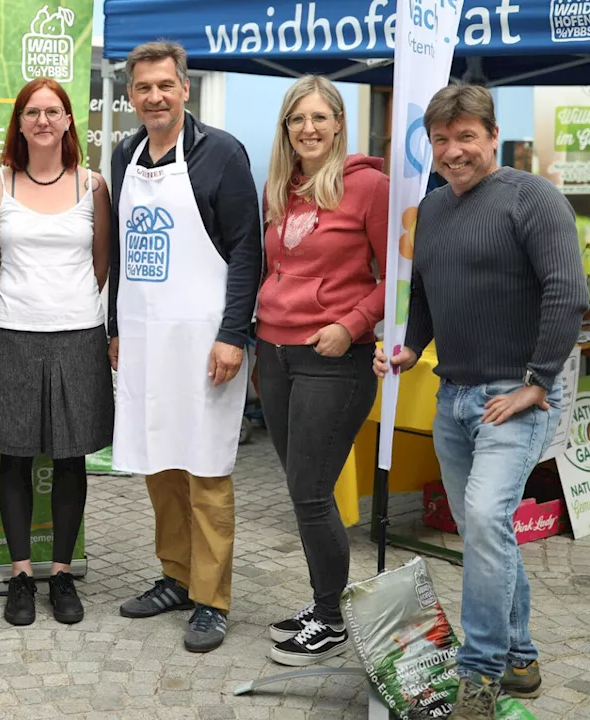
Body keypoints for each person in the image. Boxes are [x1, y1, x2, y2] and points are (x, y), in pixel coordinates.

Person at [375, 84, 587, 720]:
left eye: (466, 136)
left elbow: (567, 293)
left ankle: (481, 671)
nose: (453, 150)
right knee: (482, 532)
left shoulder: (533, 198)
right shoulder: (434, 210)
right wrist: (412, 347)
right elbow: (426, 294)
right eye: (441, 139)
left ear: (493, 136)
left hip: (510, 400)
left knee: (488, 524)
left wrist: (536, 381)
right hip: (453, 397)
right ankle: (521, 654)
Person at [108, 41, 262, 653]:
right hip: (145, 336)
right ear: (130, 96)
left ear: (185, 88)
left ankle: (211, 598)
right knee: (159, 462)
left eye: (165, 85)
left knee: (205, 467)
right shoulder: (125, 155)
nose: (155, 97)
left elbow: (248, 250)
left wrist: (233, 334)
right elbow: (122, 251)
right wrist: (115, 329)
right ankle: (174, 575)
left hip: (204, 340)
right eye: (143, 88)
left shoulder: (221, 154)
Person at [254, 75, 389, 666]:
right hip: (274, 356)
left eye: (319, 118)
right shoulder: (281, 188)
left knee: (310, 493)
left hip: (333, 360)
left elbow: (400, 280)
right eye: (296, 119)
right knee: (302, 490)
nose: (308, 129)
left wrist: (354, 324)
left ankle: (331, 619)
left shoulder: (371, 188)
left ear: (338, 122)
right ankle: (323, 602)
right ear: (286, 129)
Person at [0, 78, 112, 626]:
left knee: (71, 457)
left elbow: (101, 265)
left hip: (78, 333)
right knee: (16, 457)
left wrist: (68, 303)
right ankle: (22, 575)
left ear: (70, 120)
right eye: (33, 112)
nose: (44, 121)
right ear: (20, 122)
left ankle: (61, 574)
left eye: (54, 111)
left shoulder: (91, 184)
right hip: (11, 331)